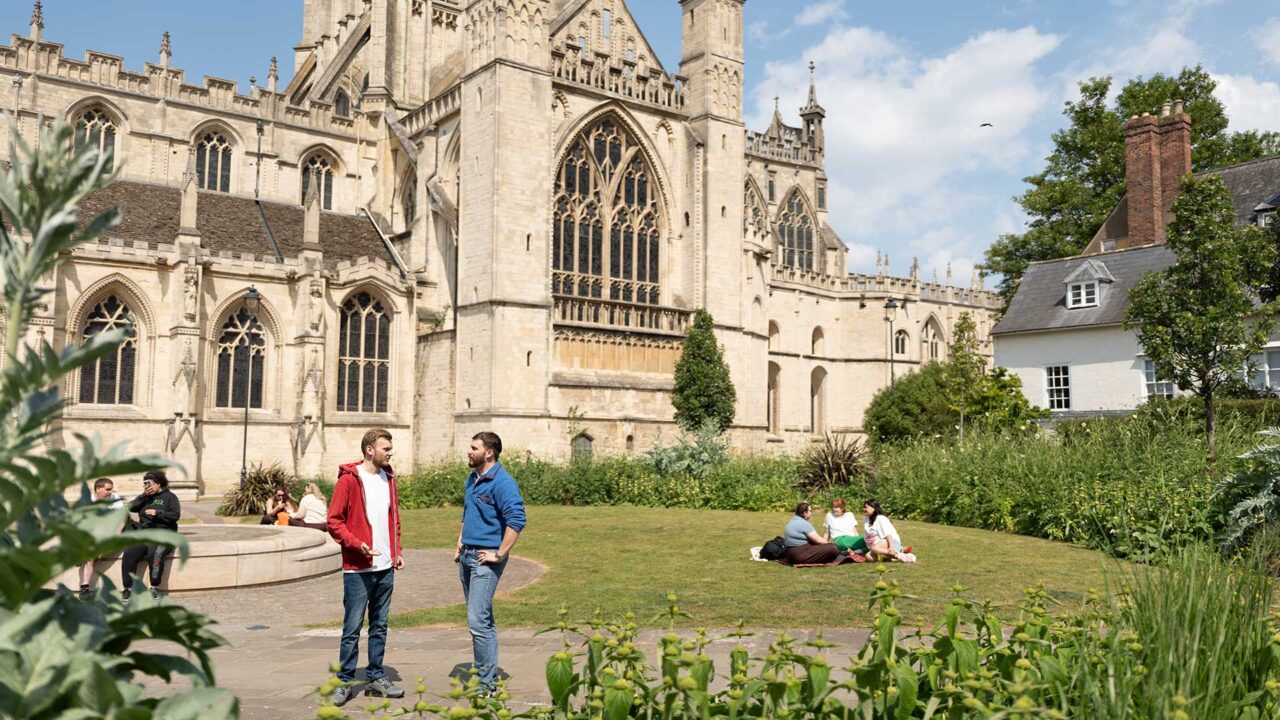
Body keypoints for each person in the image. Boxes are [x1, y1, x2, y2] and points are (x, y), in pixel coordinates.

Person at [327, 429, 406, 706]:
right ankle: (345, 681)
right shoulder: (349, 481)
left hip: (385, 567)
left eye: (390, 448)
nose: (390, 452)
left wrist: (396, 551)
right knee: (352, 628)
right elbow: (334, 521)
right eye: (386, 448)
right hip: (358, 569)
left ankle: (375, 676)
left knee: (380, 625)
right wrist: (356, 544)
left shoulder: (389, 478)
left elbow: (393, 518)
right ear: (370, 449)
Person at [456, 431, 527, 695]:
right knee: (481, 619)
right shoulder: (473, 478)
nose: (468, 451)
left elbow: (517, 521)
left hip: (485, 560)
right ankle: (487, 676)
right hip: (467, 556)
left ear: (489, 452)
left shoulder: (503, 483)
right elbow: (467, 512)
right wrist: (460, 541)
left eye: (473, 448)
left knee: (477, 621)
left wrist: (500, 553)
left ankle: (486, 685)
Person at [121, 470, 181, 600]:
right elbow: (131, 507)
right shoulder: (145, 497)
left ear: (159, 484)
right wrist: (143, 496)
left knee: (155, 553)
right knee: (129, 553)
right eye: (145, 485)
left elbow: (175, 516)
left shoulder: (170, 497)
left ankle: (155, 587)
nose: (148, 487)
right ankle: (128, 588)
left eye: (150, 484)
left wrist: (158, 513)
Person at [78, 477, 123, 599]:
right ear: (98, 489)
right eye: (107, 489)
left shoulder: (114, 498)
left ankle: (84, 587)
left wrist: (117, 533)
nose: (110, 492)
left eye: (111, 489)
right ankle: (84, 588)